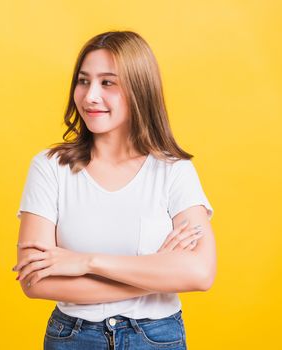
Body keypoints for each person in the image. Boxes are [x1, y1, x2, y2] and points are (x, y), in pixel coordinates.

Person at [12, 31, 216, 350]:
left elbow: (200, 274)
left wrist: (87, 262)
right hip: (73, 337)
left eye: (108, 83)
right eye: (83, 81)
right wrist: (155, 272)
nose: (90, 96)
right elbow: (35, 281)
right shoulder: (49, 167)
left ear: (140, 89)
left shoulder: (174, 171)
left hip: (156, 338)